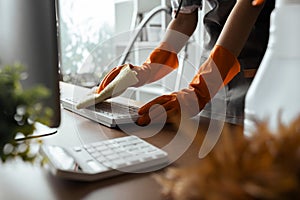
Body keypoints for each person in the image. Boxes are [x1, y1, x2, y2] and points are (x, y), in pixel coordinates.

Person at [96, 0, 275, 126]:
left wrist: (199, 91)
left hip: (261, 67)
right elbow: (183, 18)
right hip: (214, 73)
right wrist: (147, 69)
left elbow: (249, 6)